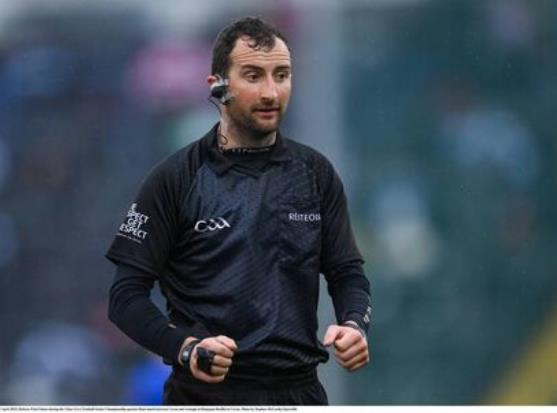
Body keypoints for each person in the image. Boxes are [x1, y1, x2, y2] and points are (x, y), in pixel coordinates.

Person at [106, 16, 372, 406]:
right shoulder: (174, 178)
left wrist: (355, 325)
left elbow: (348, 273)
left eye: (281, 75)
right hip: (203, 398)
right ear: (217, 85)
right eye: (253, 75)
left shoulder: (316, 174)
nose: (270, 92)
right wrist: (185, 347)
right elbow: (125, 297)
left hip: (300, 396)